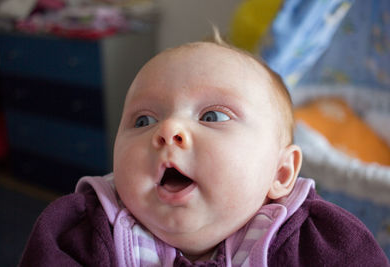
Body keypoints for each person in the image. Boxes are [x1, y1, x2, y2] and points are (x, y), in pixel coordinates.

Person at [19, 32, 389, 266]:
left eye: (212, 115)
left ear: (280, 173)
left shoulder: (325, 244)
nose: (168, 131)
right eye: (143, 121)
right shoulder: (78, 235)